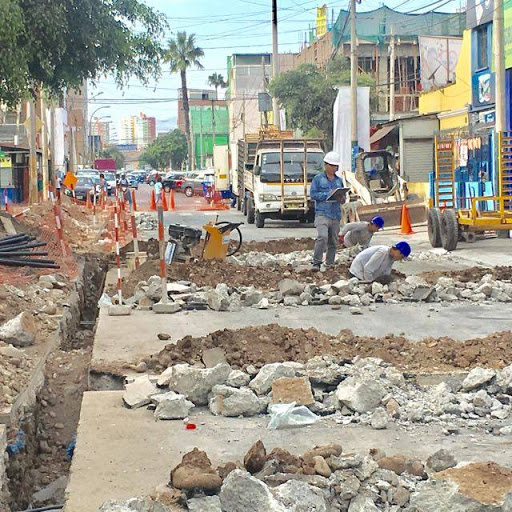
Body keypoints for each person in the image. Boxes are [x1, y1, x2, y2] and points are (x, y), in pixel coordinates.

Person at [310, 151, 346, 271]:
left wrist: (341, 198)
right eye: (331, 165)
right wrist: (327, 194)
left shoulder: (339, 181)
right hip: (322, 213)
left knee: (333, 241)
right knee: (322, 236)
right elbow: (313, 194)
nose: (333, 168)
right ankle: (316, 262)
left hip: (335, 214)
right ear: (325, 165)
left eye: (335, 166)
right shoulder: (318, 179)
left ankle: (329, 263)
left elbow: (343, 199)